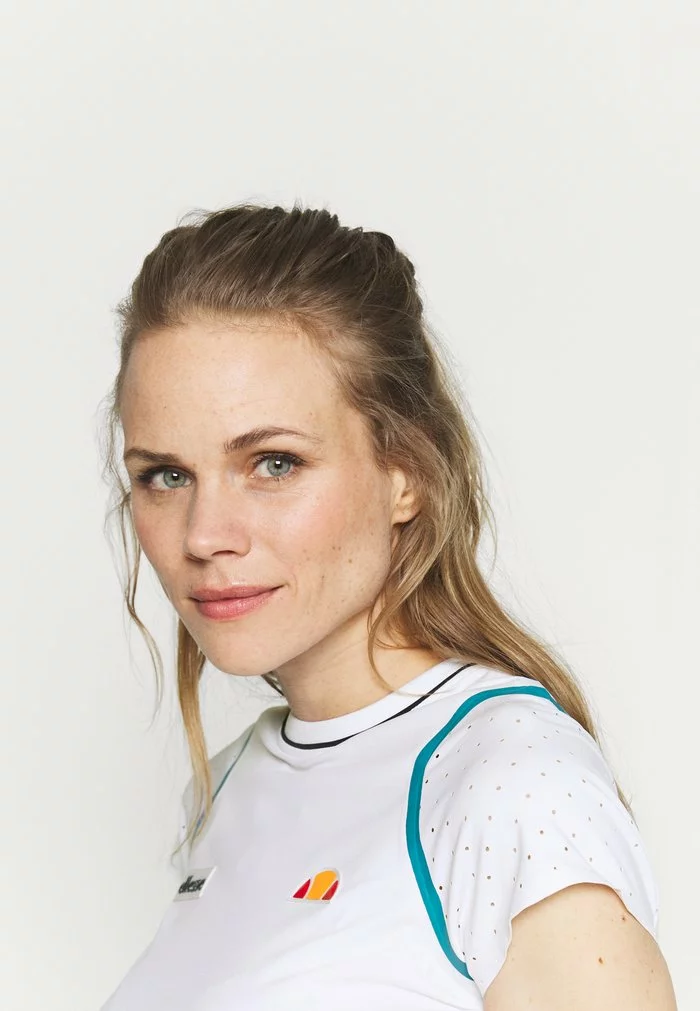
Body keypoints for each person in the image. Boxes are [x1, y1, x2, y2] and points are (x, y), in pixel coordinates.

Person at [98, 202, 677, 1010]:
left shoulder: (511, 782)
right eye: (165, 475)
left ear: (405, 471)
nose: (204, 535)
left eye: (273, 463)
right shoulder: (228, 787)